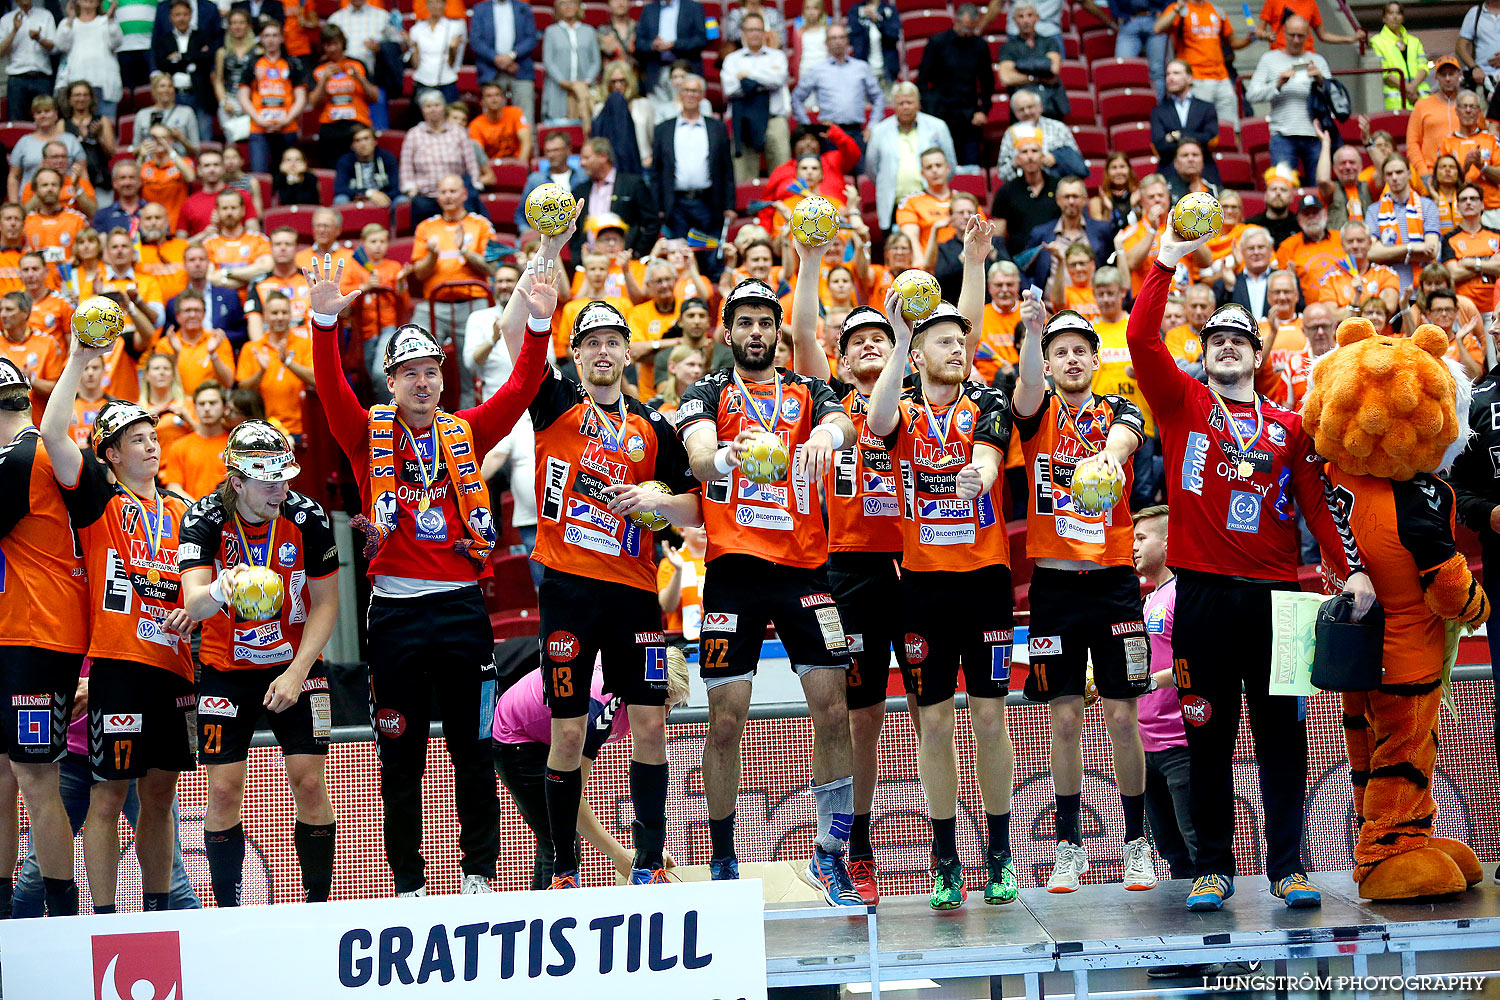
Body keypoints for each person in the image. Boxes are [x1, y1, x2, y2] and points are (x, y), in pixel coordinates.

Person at [1124, 217, 1374, 913]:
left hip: (1278, 601)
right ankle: (1213, 867)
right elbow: (1142, 339)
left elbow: (1319, 508)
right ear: (1203, 354)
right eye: (1216, 340)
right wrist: (1165, 263)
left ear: (1258, 354)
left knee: (1282, 744)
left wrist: (1347, 567)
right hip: (1200, 598)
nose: (1227, 347)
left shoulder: (1289, 427)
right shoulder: (1182, 404)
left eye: (1239, 339)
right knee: (1207, 737)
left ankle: (1289, 867)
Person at [501, 289, 701, 891]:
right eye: (591, 344)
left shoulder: (654, 425)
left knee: (648, 725)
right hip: (567, 591)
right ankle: (565, 867)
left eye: (613, 341)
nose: (603, 352)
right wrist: (547, 251)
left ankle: (650, 861)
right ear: (577, 354)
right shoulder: (554, 400)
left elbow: (696, 508)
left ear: (628, 350)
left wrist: (658, 501)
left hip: (636, 596)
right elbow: (516, 335)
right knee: (566, 732)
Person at [674, 277, 860, 901]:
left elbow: (845, 427)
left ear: (778, 331)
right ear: (726, 333)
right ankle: (724, 858)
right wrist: (727, 458)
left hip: (806, 571)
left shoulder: (808, 390)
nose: (755, 333)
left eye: (765, 322)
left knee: (833, 711)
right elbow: (699, 456)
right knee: (725, 722)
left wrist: (821, 439)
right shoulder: (708, 390)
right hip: (732, 575)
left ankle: (829, 853)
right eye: (744, 323)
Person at [865, 269, 1016, 909]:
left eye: (963, 339)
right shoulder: (902, 407)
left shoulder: (987, 402)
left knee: (988, 717)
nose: (957, 348)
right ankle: (945, 858)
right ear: (920, 351)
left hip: (984, 582)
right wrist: (898, 334)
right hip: (921, 586)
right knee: (931, 724)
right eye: (943, 340)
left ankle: (1001, 855)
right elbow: (875, 422)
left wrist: (978, 479)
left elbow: (986, 458)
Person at [38, 357, 196, 917]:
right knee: (108, 795)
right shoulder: (98, 504)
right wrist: (80, 356)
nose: (151, 447)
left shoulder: (185, 511)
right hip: (119, 664)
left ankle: (157, 910)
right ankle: (102, 920)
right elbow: (53, 432)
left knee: (159, 798)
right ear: (109, 453)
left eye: (154, 437)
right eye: (136, 440)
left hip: (176, 670)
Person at [1013, 286, 1155, 894]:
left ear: (1097, 361)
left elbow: (1127, 439)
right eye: (1060, 351)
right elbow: (1021, 392)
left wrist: (1104, 461)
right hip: (1052, 588)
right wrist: (1031, 328)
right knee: (1064, 719)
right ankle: (1068, 846)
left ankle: (1136, 842)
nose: (1072, 359)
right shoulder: (1033, 411)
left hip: (1115, 585)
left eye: (1081, 351)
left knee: (1124, 717)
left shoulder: (1117, 411)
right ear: (1047, 362)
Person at [178, 420, 338, 907]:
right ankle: (226, 908)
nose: (279, 489)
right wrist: (224, 586)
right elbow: (193, 606)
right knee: (223, 792)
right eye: (265, 480)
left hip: (296, 662)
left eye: (284, 477)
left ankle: (317, 906)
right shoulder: (204, 519)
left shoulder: (307, 515)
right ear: (236, 481)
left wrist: (295, 673)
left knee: (309, 781)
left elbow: (327, 604)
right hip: (225, 670)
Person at [0, 358, 86, 918]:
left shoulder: (27, 455)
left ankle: (61, 912)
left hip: (40, 632)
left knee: (35, 776)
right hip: (12, 631)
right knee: (2, 777)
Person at [1130, 506, 1211, 979]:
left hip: (1182, 746)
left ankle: (1228, 946)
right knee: (1172, 852)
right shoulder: (1146, 600)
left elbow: (1195, 664)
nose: (1135, 545)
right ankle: (1189, 951)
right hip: (1146, 751)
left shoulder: (1184, 594)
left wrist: (1146, 681)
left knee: (1201, 849)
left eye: (1143, 537)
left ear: (1169, 543)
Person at [652, 75, 735, 280]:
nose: (690, 95)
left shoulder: (716, 127)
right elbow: (656, 172)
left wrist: (730, 205)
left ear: (703, 96)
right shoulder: (664, 129)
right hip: (676, 203)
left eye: (695, 91)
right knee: (679, 258)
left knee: (710, 260)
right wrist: (659, 206)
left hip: (708, 201)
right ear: (680, 94)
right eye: (686, 90)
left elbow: (727, 169)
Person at [1245, 17, 1332, 185]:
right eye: (1292, 35)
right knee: (1282, 188)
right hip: (1282, 134)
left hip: (1314, 133)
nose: (1296, 40)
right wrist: (1278, 84)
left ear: (1308, 35)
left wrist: (1321, 80)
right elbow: (1252, 95)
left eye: (1301, 36)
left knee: (1320, 188)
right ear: (1283, 34)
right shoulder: (1269, 59)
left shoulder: (1318, 60)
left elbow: (1334, 98)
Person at [865, 83, 955, 234]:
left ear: (918, 103)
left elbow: (949, 164)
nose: (905, 107)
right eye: (901, 103)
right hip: (894, 204)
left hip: (931, 202)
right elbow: (872, 168)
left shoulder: (937, 126)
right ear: (893, 105)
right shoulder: (879, 131)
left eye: (909, 102)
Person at [790, 23, 884, 159]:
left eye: (841, 37)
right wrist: (808, 127)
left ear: (847, 40)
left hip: (857, 133)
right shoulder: (817, 70)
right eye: (833, 38)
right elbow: (797, 98)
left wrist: (872, 126)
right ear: (826, 43)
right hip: (829, 134)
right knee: (832, 176)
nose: (838, 42)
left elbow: (878, 97)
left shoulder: (861, 68)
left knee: (861, 177)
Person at [915, 4, 993, 167]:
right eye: (964, 27)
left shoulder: (980, 45)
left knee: (971, 163)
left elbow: (987, 81)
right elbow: (923, 80)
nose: (967, 31)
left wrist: (984, 110)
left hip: (969, 113)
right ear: (956, 21)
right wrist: (930, 110)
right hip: (941, 112)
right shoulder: (937, 42)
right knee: (941, 161)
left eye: (971, 28)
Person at [721, 13, 792, 184]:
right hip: (744, 121)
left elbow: (777, 80)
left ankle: (785, 209)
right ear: (743, 32)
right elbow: (730, 89)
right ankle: (748, 210)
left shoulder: (777, 56)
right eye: (751, 29)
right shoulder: (732, 59)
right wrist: (763, 79)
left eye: (759, 30)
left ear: (764, 32)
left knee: (783, 174)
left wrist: (747, 76)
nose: (755, 34)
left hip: (774, 120)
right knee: (744, 175)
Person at [400, 90, 484, 228]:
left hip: (457, 197)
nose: (433, 109)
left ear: (444, 107)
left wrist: (475, 182)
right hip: (426, 197)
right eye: (428, 106)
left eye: (437, 105)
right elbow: (406, 166)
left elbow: (471, 162)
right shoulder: (413, 135)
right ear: (422, 110)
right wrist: (411, 190)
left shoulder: (458, 132)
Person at [1155, 1, 1248, 125]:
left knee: (1231, 128)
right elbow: (1158, 28)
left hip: (1222, 77)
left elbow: (1232, 41)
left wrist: (1250, 38)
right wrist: (1178, 8)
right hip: (1196, 78)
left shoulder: (1217, 11)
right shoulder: (1181, 9)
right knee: (1200, 127)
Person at [570, 138, 661, 261]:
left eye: (586, 158)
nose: (582, 163)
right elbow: (573, 229)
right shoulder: (579, 191)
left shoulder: (632, 184)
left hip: (626, 264)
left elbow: (652, 222)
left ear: (603, 156)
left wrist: (637, 252)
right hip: (590, 266)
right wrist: (578, 259)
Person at [241, 21, 309, 176]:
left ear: (282, 38)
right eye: (266, 36)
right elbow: (243, 96)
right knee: (259, 176)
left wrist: (287, 120)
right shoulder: (253, 62)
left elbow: (301, 98)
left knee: (288, 175)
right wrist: (258, 119)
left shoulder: (292, 63)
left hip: (287, 127)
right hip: (259, 128)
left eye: (274, 35)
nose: (270, 40)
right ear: (261, 39)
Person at [1366, 155, 1440, 295]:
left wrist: (1388, 254)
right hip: (1388, 290)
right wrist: (1411, 247)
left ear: (1409, 174)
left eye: (1399, 172)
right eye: (1389, 174)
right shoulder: (1374, 210)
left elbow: (1432, 251)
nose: (1394, 178)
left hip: (1423, 290)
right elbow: (1371, 253)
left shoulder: (1427, 206)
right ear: (1385, 178)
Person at [310, 25, 380, 166]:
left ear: (343, 43)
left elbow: (375, 97)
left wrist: (360, 78)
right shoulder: (318, 69)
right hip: (330, 126)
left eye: (335, 43)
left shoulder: (358, 64)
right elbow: (314, 104)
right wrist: (324, 80)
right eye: (328, 45)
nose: (332, 49)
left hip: (357, 123)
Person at [152, 1, 217, 145]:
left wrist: (180, 57)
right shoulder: (164, 39)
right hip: (174, 95)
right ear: (171, 17)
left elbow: (207, 59)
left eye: (185, 14)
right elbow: (163, 63)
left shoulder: (202, 36)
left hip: (199, 94)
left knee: (204, 136)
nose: (181, 18)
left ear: (191, 15)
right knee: (174, 137)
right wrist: (194, 57)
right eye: (177, 15)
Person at [994, 89, 1087, 185]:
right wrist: (1016, 164)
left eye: (1030, 107)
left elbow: (1076, 160)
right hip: (1021, 188)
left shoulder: (1058, 128)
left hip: (1057, 185)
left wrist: (1057, 157)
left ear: (1040, 107)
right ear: (1015, 113)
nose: (1027, 112)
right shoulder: (1010, 134)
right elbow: (1002, 173)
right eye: (1021, 109)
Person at [1274, 195, 1354, 308]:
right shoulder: (1287, 246)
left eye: (1315, 213)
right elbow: (1282, 284)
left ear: (1325, 215)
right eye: (1306, 214)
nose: (1311, 217)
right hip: (1307, 313)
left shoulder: (1342, 238)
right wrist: (1290, 277)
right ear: (1299, 220)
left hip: (1344, 309)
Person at [54, 0, 125, 122]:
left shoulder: (106, 21)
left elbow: (116, 43)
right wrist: (70, 19)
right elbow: (61, 45)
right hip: (77, 87)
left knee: (106, 131)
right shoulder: (68, 23)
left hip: (105, 85)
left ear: (99, 2)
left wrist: (111, 19)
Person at [8, 97, 86, 205]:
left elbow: (83, 173)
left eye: (47, 111)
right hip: (30, 200)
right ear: (34, 117)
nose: (43, 115)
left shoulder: (70, 140)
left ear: (56, 114)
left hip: (67, 200)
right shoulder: (24, 142)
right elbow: (14, 176)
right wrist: (14, 205)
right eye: (38, 112)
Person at [1440, 92, 1500, 229]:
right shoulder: (1447, 143)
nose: (1468, 110)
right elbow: (1443, 182)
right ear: (1457, 110)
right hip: (1459, 209)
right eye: (1464, 106)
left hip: (1492, 209)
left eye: (1473, 107)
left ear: (1479, 112)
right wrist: (1464, 169)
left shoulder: (1491, 140)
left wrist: (1482, 166)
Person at [158, 290, 235, 395]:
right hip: (178, 405)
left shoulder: (218, 341)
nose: (192, 315)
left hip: (209, 405)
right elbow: (160, 383)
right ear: (177, 316)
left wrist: (213, 354)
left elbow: (228, 382)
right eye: (187, 310)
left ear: (204, 314)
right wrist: (176, 353)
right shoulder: (166, 344)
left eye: (197, 310)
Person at [161, 380, 229, 500]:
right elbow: (173, 487)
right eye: (202, 404)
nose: (207, 408)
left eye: (212, 403)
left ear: (224, 407)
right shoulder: (179, 446)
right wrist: (198, 510)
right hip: (191, 514)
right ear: (195, 408)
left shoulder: (233, 445)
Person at [1407, 56, 1464, 194]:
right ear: (1437, 77)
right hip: (1432, 176)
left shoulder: (1469, 105)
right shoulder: (1422, 105)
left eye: (1452, 74)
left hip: (1464, 174)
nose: (1448, 78)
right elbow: (1412, 144)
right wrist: (1424, 173)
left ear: (1460, 76)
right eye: (1443, 75)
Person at [998, 1, 1066, 118]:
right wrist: (1039, 74)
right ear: (1014, 20)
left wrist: (1020, 67)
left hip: (1051, 106)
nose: (1025, 20)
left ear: (1037, 18)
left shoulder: (1049, 42)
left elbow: (1053, 71)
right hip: (1021, 111)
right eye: (1021, 16)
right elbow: (1006, 78)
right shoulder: (1008, 47)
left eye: (1029, 15)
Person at [470, 0, 538, 111]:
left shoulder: (524, 7)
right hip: (490, 69)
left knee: (524, 116)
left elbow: (531, 39)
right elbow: (476, 41)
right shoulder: (480, 9)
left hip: (520, 68)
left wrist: (511, 56)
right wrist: (496, 58)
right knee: (492, 117)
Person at [200, 191, 275, 291]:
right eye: (224, 208)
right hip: (222, 300)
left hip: (254, 301)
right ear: (217, 211)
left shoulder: (259, 240)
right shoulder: (208, 243)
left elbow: (266, 268)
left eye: (233, 208)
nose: (229, 212)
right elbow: (211, 278)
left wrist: (226, 272)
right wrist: (249, 278)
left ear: (243, 210)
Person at [0, 0, 58, 125]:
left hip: (41, 78)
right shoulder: (6, 19)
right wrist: (14, 31)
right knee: (16, 122)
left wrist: (39, 39)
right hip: (17, 79)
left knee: (46, 121)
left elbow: (54, 48)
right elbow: (0, 53)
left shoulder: (45, 15)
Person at [540, 0, 599, 122]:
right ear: (557, 8)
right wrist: (563, 82)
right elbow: (548, 61)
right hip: (558, 90)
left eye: (572, 2)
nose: (568, 6)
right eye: (563, 3)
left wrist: (586, 81)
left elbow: (596, 61)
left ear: (578, 6)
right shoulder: (551, 31)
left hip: (585, 89)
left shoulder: (589, 31)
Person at [1151, 60, 1220, 163]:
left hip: (1203, 167)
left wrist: (1175, 136)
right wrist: (1194, 136)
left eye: (1176, 73)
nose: (1170, 78)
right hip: (1169, 167)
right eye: (1168, 74)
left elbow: (1208, 139)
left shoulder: (1206, 108)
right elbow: (1160, 145)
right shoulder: (1159, 111)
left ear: (1189, 78)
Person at [635, 0, 708, 96]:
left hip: (687, 67)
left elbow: (701, 40)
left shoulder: (694, 7)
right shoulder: (649, 9)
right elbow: (639, 43)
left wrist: (675, 44)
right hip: (656, 69)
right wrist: (652, 45)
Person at [1369, 2, 1427, 110]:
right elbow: (1384, 73)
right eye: (1391, 13)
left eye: (1398, 13)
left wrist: (1412, 88)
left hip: (1420, 99)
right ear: (1384, 18)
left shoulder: (1415, 41)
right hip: (1395, 103)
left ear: (1403, 17)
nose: (1395, 17)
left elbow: (1424, 67)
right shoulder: (1376, 42)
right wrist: (1408, 89)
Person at [215, 7, 260, 144]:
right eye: (233, 23)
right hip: (230, 101)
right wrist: (224, 102)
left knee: (254, 140)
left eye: (241, 22)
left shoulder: (258, 51)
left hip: (252, 101)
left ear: (248, 25)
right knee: (232, 142)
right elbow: (218, 81)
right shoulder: (222, 52)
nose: (237, 26)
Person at [64, 82, 117, 198]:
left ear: (91, 98)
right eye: (77, 95)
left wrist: (98, 137)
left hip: (100, 181)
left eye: (85, 95)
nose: (81, 98)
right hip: (72, 181)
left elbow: (111, 153)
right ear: (70, 99)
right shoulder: (62, 124)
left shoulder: (102, 121)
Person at [137, 130, 196, 233]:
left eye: (163, 138)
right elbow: (131, 183)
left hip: (176, 225)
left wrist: (171, 151)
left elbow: (190, 177)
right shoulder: (144, 166)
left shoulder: (182, 163)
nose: (159, 142)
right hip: (150, 227)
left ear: (171, 140)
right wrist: (141, 157)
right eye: (155, 139)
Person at [408, 5, 466, 103]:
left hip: (446, 78)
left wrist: (452, 48)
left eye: (438, 2)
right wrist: (413, 48)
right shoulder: (416, 29)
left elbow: (453, 62)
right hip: (422, 78)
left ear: (444, 4)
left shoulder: (454, 27)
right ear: (427, 5)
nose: (435, 5)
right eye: (432, 2)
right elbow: (415, 64)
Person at [333, 126, 402, 208]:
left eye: (366, 138)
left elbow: (397, 188)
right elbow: (339, 188)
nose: (363, 144)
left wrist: (381, 196)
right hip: (356, 198)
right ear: (352, 145)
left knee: (402, 200)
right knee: (340, 200)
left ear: (375, 141)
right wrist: (369, 193)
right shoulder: (345, 160)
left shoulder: (387, 157)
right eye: (357, 140)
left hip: (384, 198)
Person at [1255, 0, 1364, 50]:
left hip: (1305, 55)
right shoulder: (1273, 1)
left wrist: (1351, 39)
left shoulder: (1310, 3)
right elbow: (1258, 31)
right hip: (1279, 54)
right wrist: (1266, 35)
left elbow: (1323, 35)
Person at [845, 0, 899, 88]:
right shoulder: (855, 10)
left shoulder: (889, 9)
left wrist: (878, 19)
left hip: (888, 74)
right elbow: (852, 39)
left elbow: (894, 36)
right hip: (864, 74)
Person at [1248, 166, 1301, 249]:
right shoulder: (1251, 225)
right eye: (1273, 189)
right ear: (1265, 195)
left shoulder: (1300, 226)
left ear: (1291, 197)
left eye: (1283, 190)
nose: (1278, 193)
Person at [1457, 0, 1500, 96]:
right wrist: (1474, 68)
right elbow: (1460, 46)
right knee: (1481, 110)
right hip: (1483, 79)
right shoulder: (1475, 13)